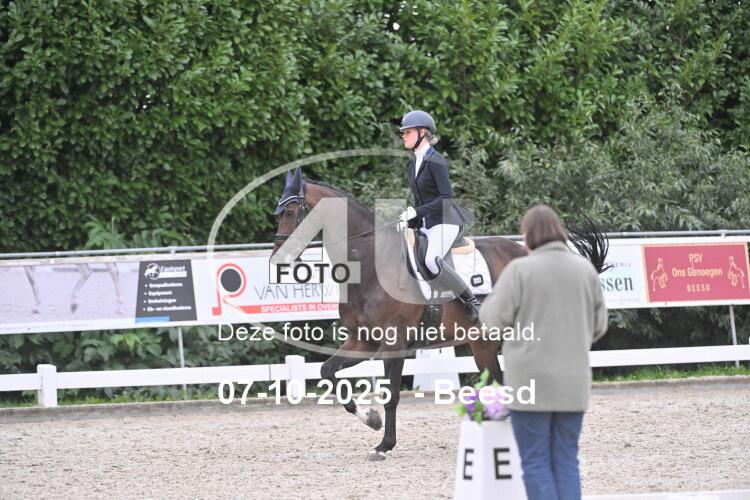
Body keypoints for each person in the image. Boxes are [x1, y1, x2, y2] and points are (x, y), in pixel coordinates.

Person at [478, 204, 608, 500]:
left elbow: (492, 321)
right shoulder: (585, 270)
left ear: (528, 236)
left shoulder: (519, 271)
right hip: (573, 381)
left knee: (535, 461)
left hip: (528, 382)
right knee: (566, 461)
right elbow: (599, 326)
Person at [395, 110, 480, 323]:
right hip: (428, 222)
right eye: (403, 132)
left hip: (445, 221)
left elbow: (445, 198)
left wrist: (417, 212)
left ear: (423, 133)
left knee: (431, 260)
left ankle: (471, 301)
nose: (403, 135)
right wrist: (409, 220)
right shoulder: (413, 165)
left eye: (408, 132)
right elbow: (422, 201)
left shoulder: (436, 160)